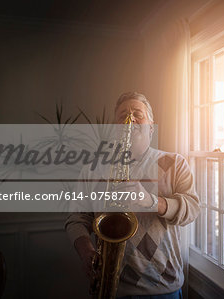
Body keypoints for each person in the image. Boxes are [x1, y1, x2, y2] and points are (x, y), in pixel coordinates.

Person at [65, 92, 200, 298]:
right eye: (122, 116)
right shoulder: (92, 168)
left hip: (163, 287)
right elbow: (76, 218)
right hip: (110, 286)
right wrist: (86, 253)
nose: (130, 119)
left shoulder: (175, 163)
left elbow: (192, 210)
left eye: (138, 114)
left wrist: (151, 201)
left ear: (151, 126)